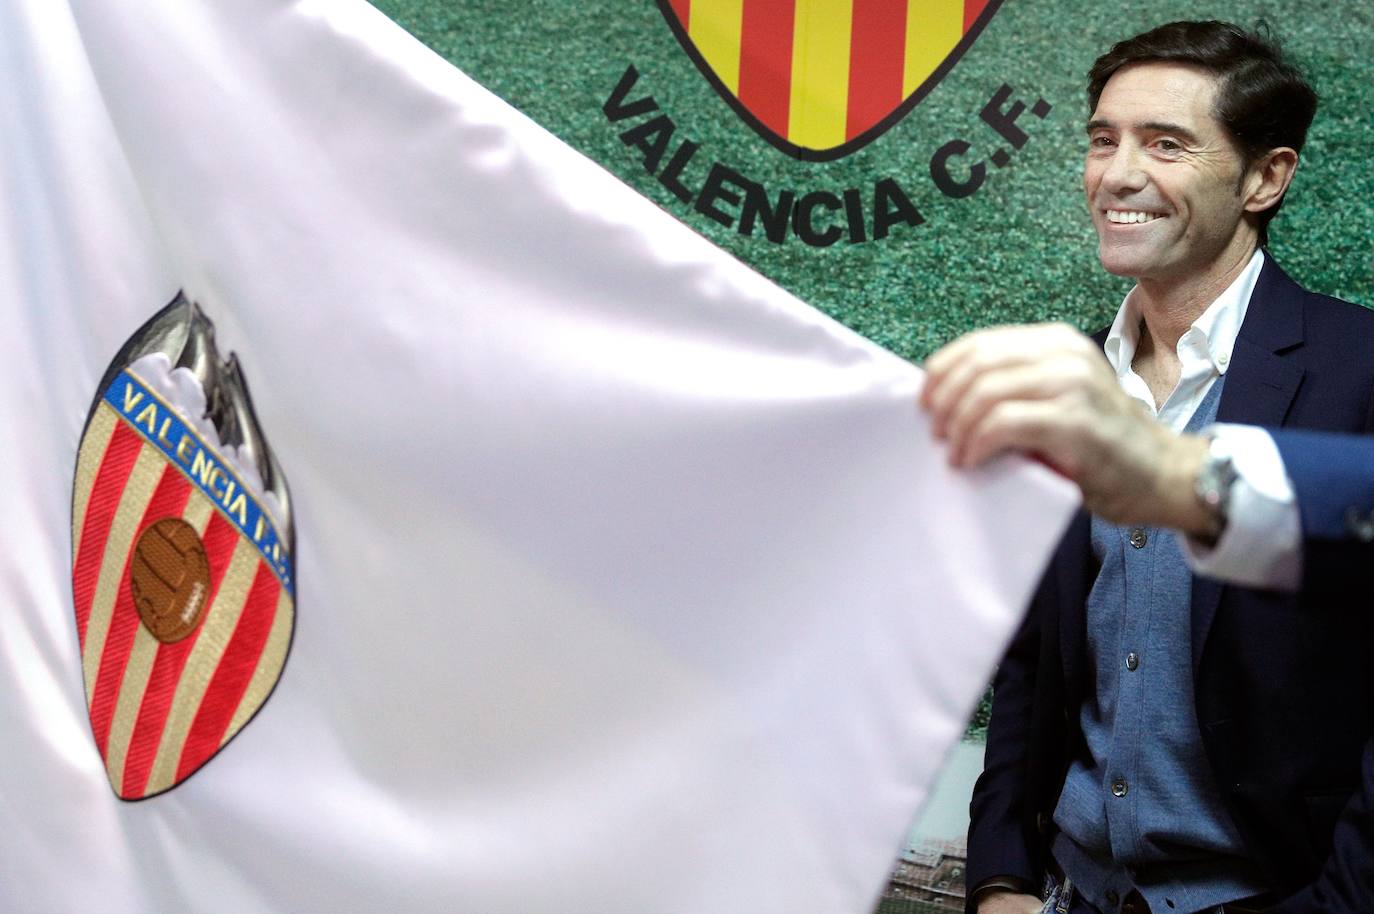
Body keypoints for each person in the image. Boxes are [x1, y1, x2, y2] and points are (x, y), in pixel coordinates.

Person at [931, 20, 1374, 914]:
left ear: (1266, 177)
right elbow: (1033, 659)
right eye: (1103, 140)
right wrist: (1002, 878)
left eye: (1165, 144)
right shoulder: (1067, 380)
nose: (1117, 175)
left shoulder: (1360, 369)